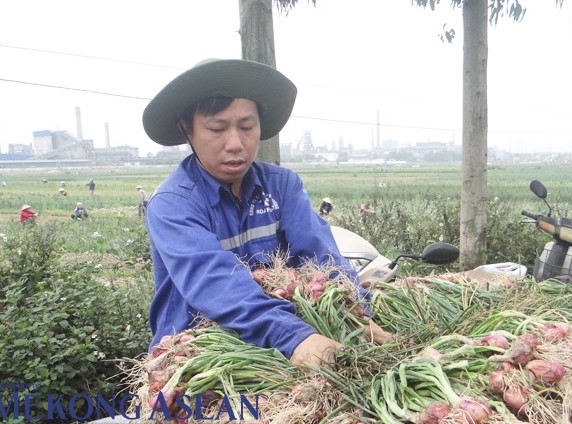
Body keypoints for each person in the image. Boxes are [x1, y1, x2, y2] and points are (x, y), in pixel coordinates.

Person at [141, 58, 391, 368]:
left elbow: (322, 257)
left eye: (247, 127)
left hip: (274, 352)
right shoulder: (172, 204)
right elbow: (217, 283)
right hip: (199, 354)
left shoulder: (282, 186)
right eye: (217, 128)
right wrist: (295, 337)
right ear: (187, 130)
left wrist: (358, 312)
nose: (235, 143)